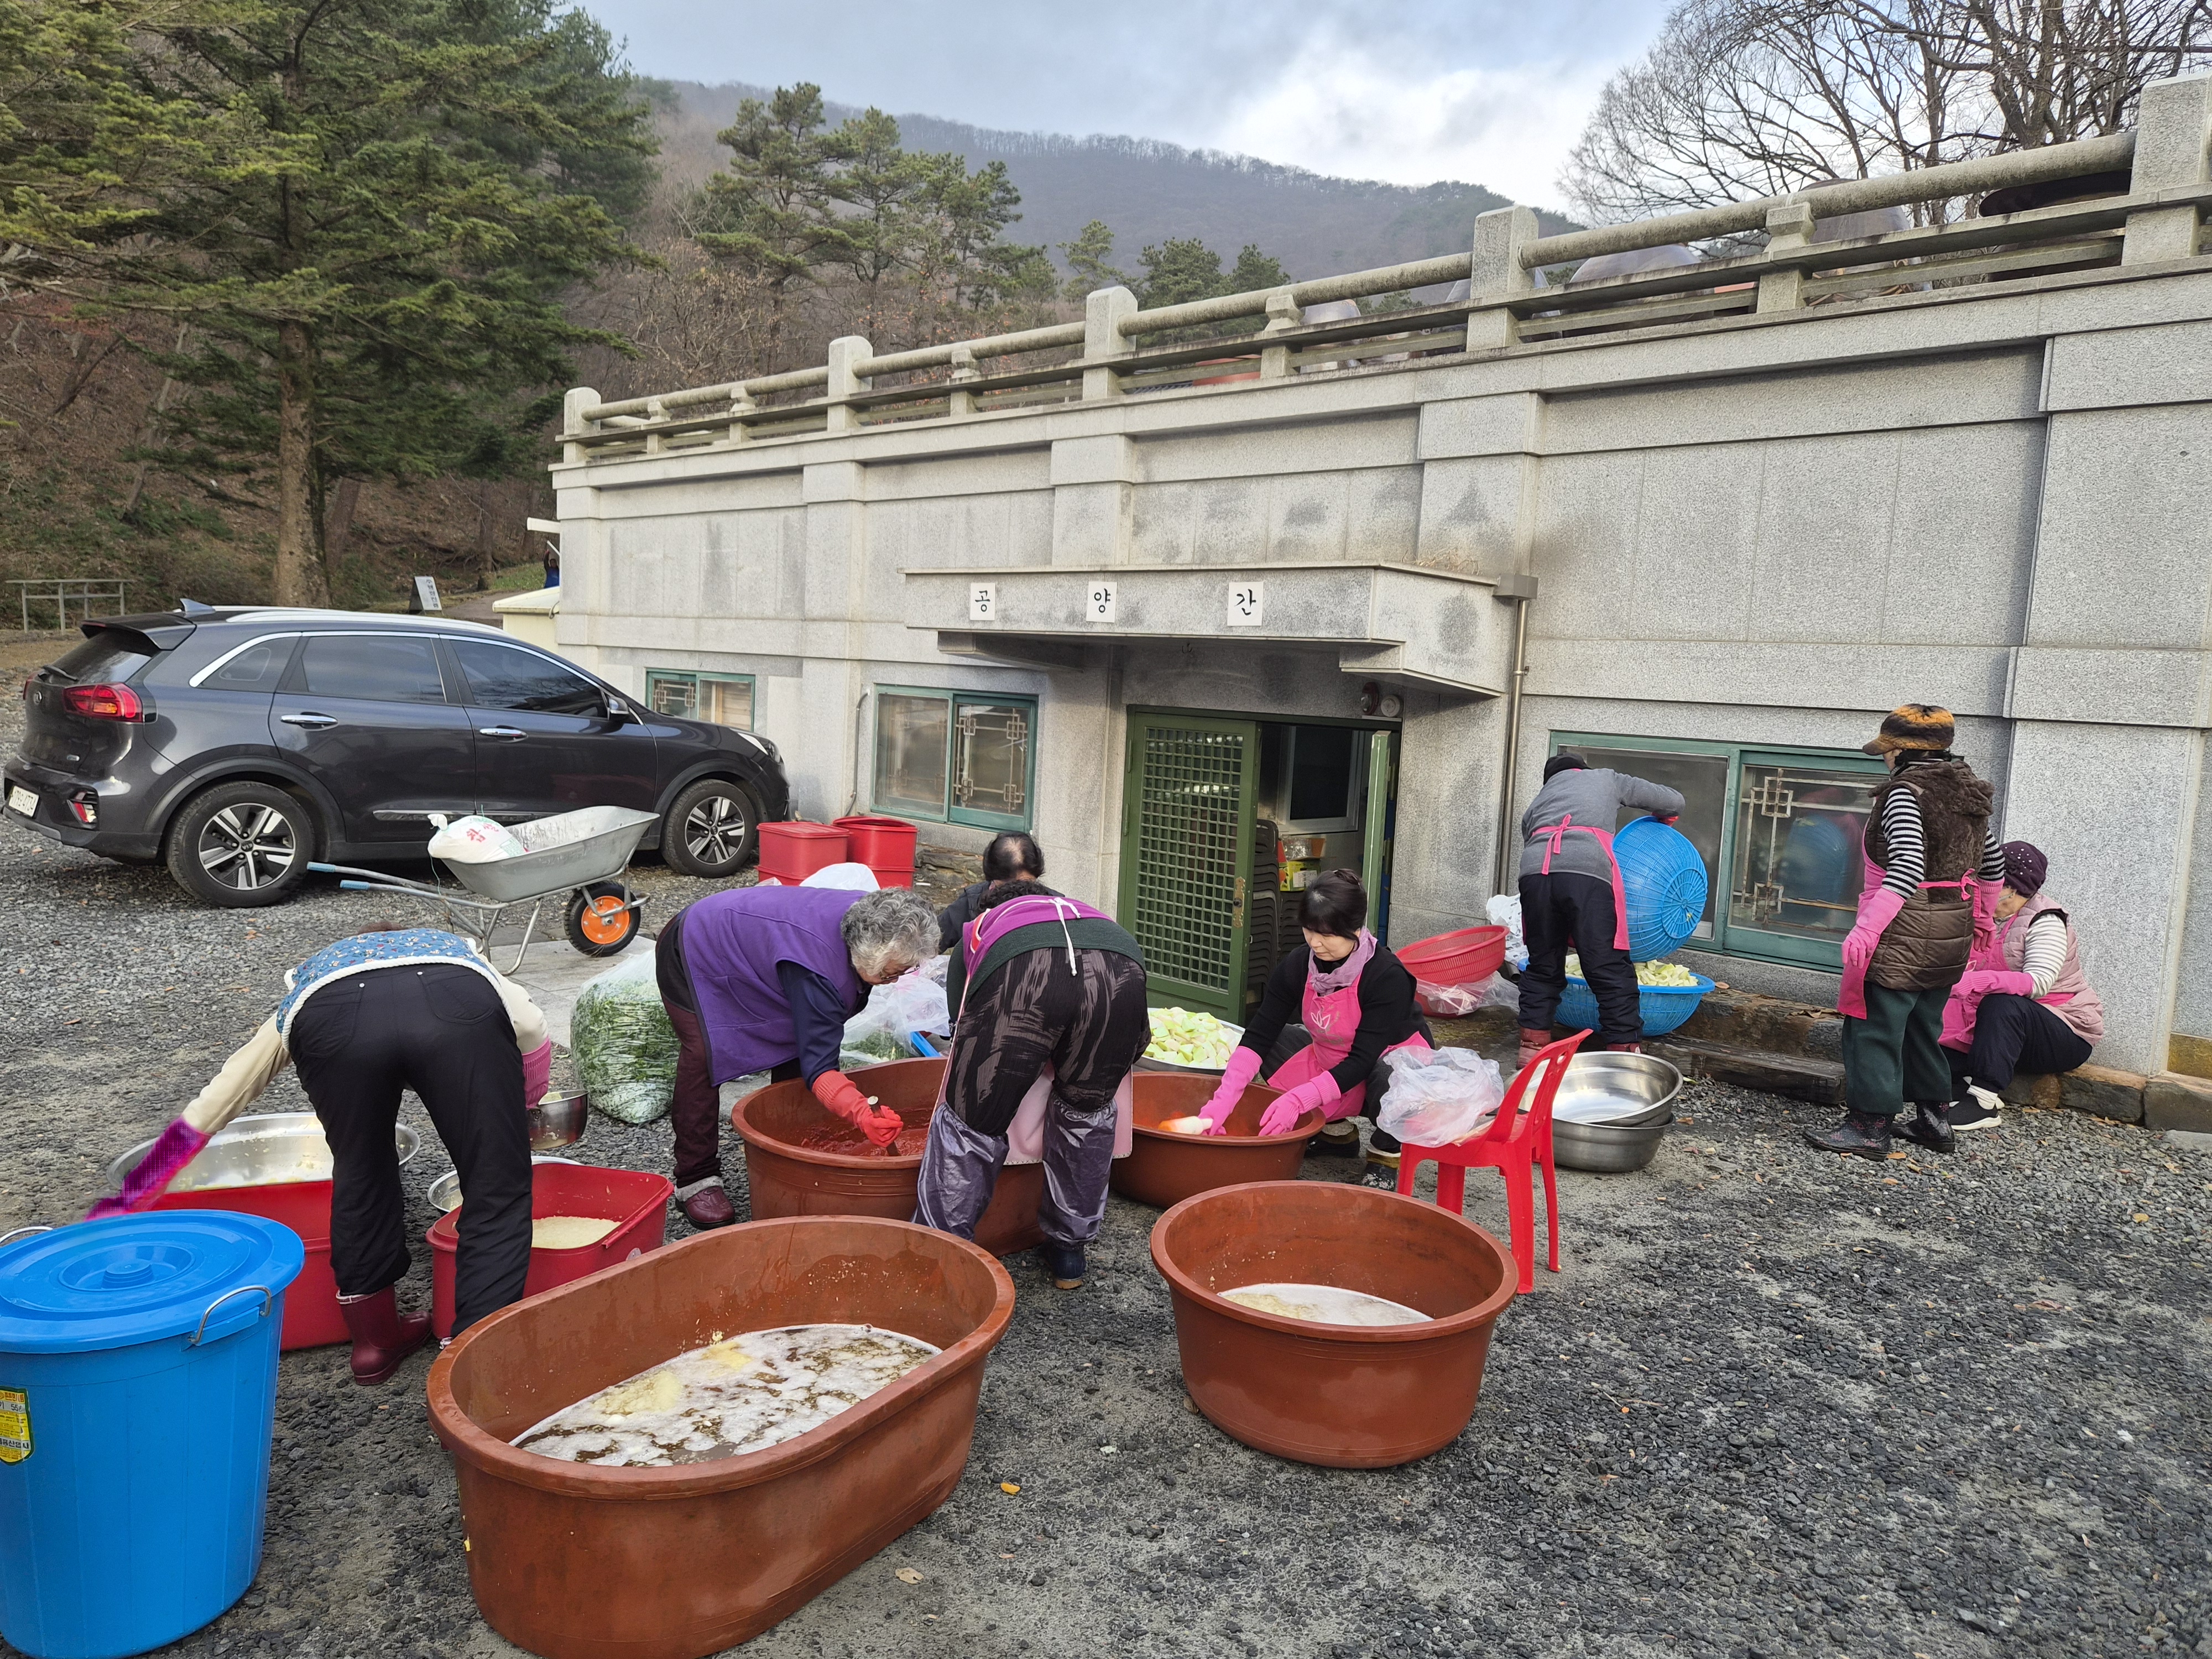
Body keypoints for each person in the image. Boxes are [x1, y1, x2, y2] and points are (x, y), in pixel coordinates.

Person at [90, 925, 552, 1384]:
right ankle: (473, 1373)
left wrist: (139, 1186)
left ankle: (375, 1345)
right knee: (495, 1187)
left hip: (332, 1021)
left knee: (361, 1172)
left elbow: (228, 1089)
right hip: (456, 1009)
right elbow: (530, 1025)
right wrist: (525, 1104)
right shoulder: (453, 952)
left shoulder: (318, 977)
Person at [656, 885, 938, 1227]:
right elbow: (820, 1067)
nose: (895, 980)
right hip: (697, 946)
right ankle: (695, 1178)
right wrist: (862, 1113)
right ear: (867, 956)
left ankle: (786, 1150)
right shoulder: (820, 970)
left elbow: (814, 1042)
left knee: (795, 1043)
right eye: (892, 973)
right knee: (704, 1055)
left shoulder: (881, 915)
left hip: (761, 948)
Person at [915, 881, 1149, 1290]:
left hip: (1027, 975)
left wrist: (991, 1091)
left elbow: (961, 1024)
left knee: (969, 1127)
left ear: (990, 908)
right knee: (1086, 1116)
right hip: (1120, 974)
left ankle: (938, 1260)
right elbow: (1138, 1041)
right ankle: (1069, 1256)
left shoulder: (982, 926)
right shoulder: (1092, 916)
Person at [1806, 704, 2005, 1159]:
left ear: (1900, 752)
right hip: (1952, 927)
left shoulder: (1903, 794)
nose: (1884, 758)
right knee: (1922, 1024)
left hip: (1903, 928)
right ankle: (1934, 1121)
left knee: (1873, 1026)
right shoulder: (1969, 792)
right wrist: (1983, 918)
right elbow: (1993, 863)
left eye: (1887, 750)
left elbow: (1908, 867)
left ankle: (1869, 1126)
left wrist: (1867, 930)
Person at [1198, 869, 1430, 1186]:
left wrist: (1299, 1100)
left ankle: (1385, 1153)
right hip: (1333, 1055)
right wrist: (1223, 1099)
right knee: (1275, 1042)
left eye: (1328, 935)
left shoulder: (1386, 976)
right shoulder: (1298, 964)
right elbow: (1260, 1034)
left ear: (1356, 929)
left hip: (1384, 1061)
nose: (1315, 943)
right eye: (1309, 930)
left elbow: (1363, 1060)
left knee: (1393, 1077)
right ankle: (1337, 1134)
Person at [1516, 754, 1687, 1064]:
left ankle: (1531, 1049)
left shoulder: (1540, 800)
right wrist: (1665, 816)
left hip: (1534, 875)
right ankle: (1624, 1052)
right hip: (1586, 873)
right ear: (1583, 769)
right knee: (1606, 964)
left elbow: (1530, 836)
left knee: (1542, 964)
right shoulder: (1606, 778)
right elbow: (1673, 801)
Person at [1930, 839, 2103, 1140]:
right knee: (1928, 1031)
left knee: (2003, 1004)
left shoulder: (2046, 920)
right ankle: (1959, 1086)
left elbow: (2039, 983)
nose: (1984, 894)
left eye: (1992, 887)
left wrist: (1978, 982)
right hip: (1996, 1032)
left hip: (2062, 1029)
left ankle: (1983, 1102)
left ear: (2014, 889)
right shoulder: (1985, 916)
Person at [936, 831, 1049, 952]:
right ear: (993, 879)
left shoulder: (1055, 907)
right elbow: (932, 939)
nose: (1019, 894)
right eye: (1008, 887)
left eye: (1026, 885)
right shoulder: (973, 901)